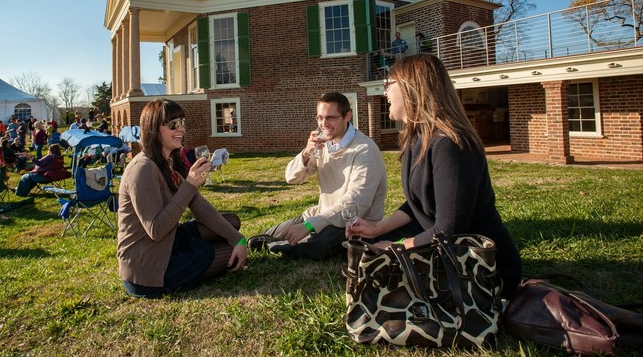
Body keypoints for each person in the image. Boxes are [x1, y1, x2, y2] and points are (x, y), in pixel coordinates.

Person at [347, 54, 522, 298]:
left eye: (389, 84)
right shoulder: (417, 139)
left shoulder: (451, 144)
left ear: (412, 88)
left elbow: (448, 229)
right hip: (447, 254)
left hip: (482, 269)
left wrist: (397, 247)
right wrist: (378, 228)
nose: (384, 92)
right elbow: (419, 203)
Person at [117, 99, 247, 298]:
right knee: (227, 252)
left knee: (232, 223)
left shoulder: (169, 161)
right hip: (147, 266)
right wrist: (189, 185)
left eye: (182, 123)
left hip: (170, 240)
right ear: (153, 129)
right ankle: (201, 256)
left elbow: (198, 204)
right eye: (172, 125)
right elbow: (156, 230)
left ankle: (210, 250)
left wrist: (238, 240)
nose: (181, 129)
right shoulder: (142, 169)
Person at [247, 92, 387, 260]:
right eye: (320, 118)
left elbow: (356, 203)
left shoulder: (364, 149)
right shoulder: (324, 144)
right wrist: (306, 153)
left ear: (347, 116)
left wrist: (309, 225)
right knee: (263, 236)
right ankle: (277, 243)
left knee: (315, 245)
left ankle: (282, 247)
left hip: (354, 225)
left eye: (330, 118)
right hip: (320, 215)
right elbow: (292, 178)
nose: (323, 124)